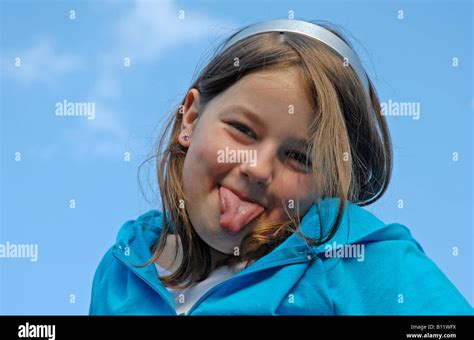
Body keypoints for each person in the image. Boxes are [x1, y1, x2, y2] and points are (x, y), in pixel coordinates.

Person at [89, 19, 472, 315]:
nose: (256, 169)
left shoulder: (356, 258)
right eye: (242, 129)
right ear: (190, 117)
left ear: (330, 186)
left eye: (299, 158)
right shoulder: (124, 268)